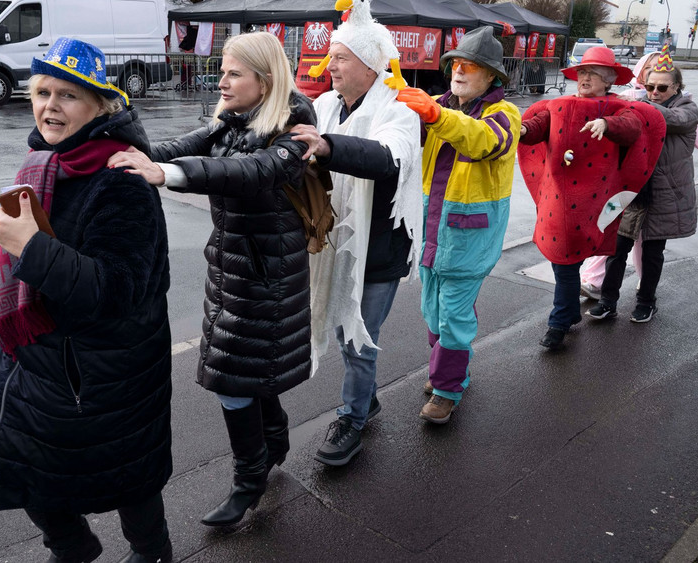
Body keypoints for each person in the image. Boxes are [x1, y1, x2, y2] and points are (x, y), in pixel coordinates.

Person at [0, 37, 172, 563]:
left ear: (100, 106)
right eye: (41, 91)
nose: (49, 106)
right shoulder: (42, 161)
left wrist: (28, 250)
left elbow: (115, 290)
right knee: (23, 465)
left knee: (128, 476)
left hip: (102, 373)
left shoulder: (121, 181)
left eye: (67, 96)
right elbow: (49, 245)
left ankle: (152, 551)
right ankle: (73, 546)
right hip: (33, 362)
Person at [107, 31, 314, 527]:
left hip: (269, 279)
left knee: (230, 376)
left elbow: (248, 172)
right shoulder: (230, 120)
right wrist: (116, 120)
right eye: (222, 69)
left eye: (232, 73)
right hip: (231, 272)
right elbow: (170, 148)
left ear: (264, 81)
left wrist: (167, 175)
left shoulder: (294, 126)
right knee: (249, 368)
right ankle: (275, 436)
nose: (219, 80)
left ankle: (249, 478)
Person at [288, 16, 422, 465]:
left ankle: (352, 418)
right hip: (334, 240)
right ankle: (365, 398)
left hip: (381, 248)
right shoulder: (324, 103)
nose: (332, 65)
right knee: (346, 331)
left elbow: (385, 159)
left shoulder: (397, 108)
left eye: (342, 58)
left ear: (369, 65)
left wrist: (328, 147)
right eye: (332, 56)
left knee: (358, 336)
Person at [394, 26, 521, 423]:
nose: (459, 72)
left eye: (471, 66)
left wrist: (434, 114)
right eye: (455, 64)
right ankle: (450, 367)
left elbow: (482, 140)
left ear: (492, 77)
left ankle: (448, 389)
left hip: (470, 239)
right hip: (431, 235)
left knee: (452, 315)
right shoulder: (437, 104)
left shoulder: (505, 114)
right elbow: (398, 134)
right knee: (432, 311)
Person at [518, 46, 665, 349]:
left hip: (593, 198)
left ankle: (558, 322)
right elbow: (540, 125)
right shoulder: (561, 103)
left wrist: (607, 123)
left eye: (592, 73)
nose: (584, 77)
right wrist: (522, 129)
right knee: (563, 259)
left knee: (568, 259)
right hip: (557, 198)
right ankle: (569, 313)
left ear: (608, 79)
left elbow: (632, 126)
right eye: (582, 72)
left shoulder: (620, 106)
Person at [587, 48, 698, 323]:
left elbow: (670, 119)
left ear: (677, 87)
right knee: (616, 248)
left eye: (662, 87)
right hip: (632, 189)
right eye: (649, 87)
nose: (654, 92)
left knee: (652, 254)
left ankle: (646, 302)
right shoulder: (641, 105)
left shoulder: (687, 109)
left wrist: (636, 103)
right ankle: (608, 302)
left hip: (664, 193)